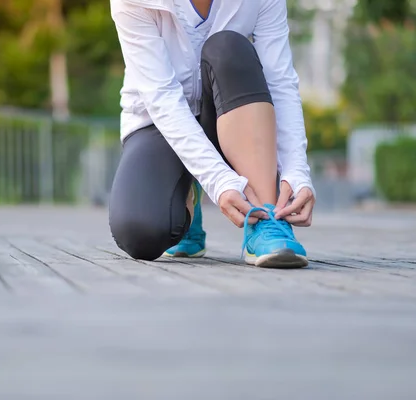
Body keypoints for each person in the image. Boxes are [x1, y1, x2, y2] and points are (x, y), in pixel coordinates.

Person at [108, 0, 316, 268]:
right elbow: (161, 97)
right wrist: (217, 181)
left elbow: (280, 81)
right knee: (140, 233)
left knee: (228, 47)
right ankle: (187, 200)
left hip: (232, 116)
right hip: (158, 121)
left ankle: (268, 219)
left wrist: (297, 169)